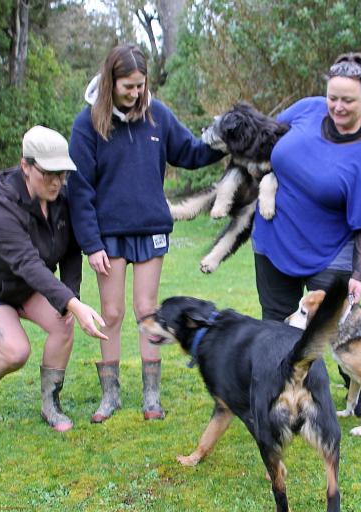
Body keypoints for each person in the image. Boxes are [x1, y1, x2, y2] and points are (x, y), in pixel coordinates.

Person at [67, 43, 224, 422]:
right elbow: (79, 189)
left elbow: (190, 152)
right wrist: (91, 243)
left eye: (140, 85)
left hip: (150, 227)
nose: (136, 93)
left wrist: (226, 140)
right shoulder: (87, 124)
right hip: (108, 234)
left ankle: (151, 396)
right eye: (128, 86)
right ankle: (110, 395)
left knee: (145, 309)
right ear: (110, 82)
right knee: (112, 312)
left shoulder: (158, 116)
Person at [251, 52, 361, 414]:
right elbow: (263, 137)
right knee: (277, 325)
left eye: (347, 100)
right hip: (276, 239)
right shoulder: (308, 110)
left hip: (330, 249)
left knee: (333, 330)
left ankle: (351, 393)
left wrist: (358, 274)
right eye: (332, 97)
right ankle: (279, 398)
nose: (336, 107)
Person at [0, 125, 108, 432]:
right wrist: (76, 305)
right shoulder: (1, 211)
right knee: (16, 351)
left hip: (26, 288)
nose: (56, 182)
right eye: (48, 173)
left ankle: (51, 402)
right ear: (26, 166)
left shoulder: (62, 200)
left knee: (63, 320)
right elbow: (27, 263)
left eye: (62, 173)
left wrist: (70, 299)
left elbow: (69, 252)